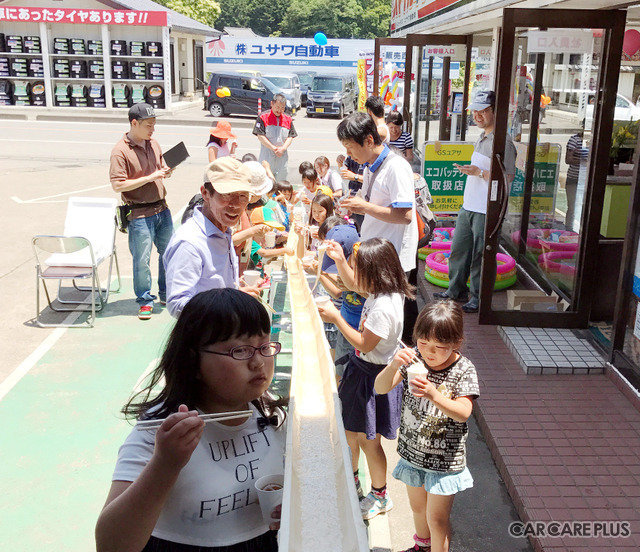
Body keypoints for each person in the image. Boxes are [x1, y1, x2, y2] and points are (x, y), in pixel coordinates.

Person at [95, 288, 286, 552]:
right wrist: (165, 464)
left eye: (264, 346)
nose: (258, 363)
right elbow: (111, 545)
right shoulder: (163, 431)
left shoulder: (272, 413)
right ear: (193, 361)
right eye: (240, 350)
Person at [317, 237, 414, 521]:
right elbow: (353, 285)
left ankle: (380, 495)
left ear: (376, 273)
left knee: (370, 440)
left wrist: (336, 318)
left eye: (359, 270)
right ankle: (353, 481)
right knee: (351, 431)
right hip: (362, 369)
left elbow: (364, 342)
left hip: (373, 375)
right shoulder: (383, 291)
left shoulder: (384, 308)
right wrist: (339, 260)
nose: (356, 277)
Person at [374, 301, 479, 552]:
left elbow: (464, 413)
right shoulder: (414, 359)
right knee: (418, 509)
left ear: (456, 343)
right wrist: (392, 364)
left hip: (444, 462)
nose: (429, 352)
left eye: (439, 347)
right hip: (413, 455)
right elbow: (380, 388)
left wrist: (434, 395)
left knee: (437, 519)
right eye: (423, 343)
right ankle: (421, 546)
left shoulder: (464, 370)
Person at [337, 112, 419, 341]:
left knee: (388, 319)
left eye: (350, 146)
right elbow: (371, 205)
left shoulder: (396, 167)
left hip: (392, 257)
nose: (348, 153)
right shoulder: (369, 167)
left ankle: (391, 363)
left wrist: (364, 207)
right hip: (376, 253)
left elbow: (405, 215)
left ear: (369, 141)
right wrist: (354, 207)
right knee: (375, 315)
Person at [433, 90, 516, 313]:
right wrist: (474, 172)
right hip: (469, 205)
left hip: (486, 209)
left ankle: (478, 297)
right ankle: (455, 290)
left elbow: (507, 179)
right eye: (475, 111)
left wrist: (479, 173)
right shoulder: (482, 137)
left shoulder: (503, 142)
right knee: (460, 250)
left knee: (481, 254)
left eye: (483, 111)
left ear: (495, 112)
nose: (477, 115)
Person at [163, 157, 260, 318]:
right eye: (227, 195)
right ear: (205, 193)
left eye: (243, 196)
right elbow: (177, 305)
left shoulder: (223, 230)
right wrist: (231, 304)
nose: (235, 204)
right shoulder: (189, 242)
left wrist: (238, 295)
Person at [109, 102, 173, 320]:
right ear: (134, 123)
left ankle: (165, 292)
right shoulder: (120, 151)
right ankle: (145, 300)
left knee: (168, 253)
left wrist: (166, 171)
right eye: (148, 125)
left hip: (162, 209)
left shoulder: (153, 143)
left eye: (154, 124)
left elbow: (159, 169)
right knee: (141, 260)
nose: (152, 129)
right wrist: (150, 177)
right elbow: (118, 185)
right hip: (138, 214)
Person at [253, 93, 297, 182]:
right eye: (277, 107)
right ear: (272, 104)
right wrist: (273, 148)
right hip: (267, 155)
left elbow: (291, 136)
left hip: (282, 156)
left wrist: (283, 148)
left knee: (282, 181)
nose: (280, 110)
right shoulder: (263, 117)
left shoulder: (288, 118)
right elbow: (260, 135)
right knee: (266, 180)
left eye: (282, 108)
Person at [564, 124, 588, 232]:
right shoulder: (575, 140)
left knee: (585, 207)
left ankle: (582, 231)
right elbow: (568, 159)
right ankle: (569, 229)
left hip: (587, 179)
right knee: (572, 206)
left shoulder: (593, 141)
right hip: (573, 178)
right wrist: (585, 162)